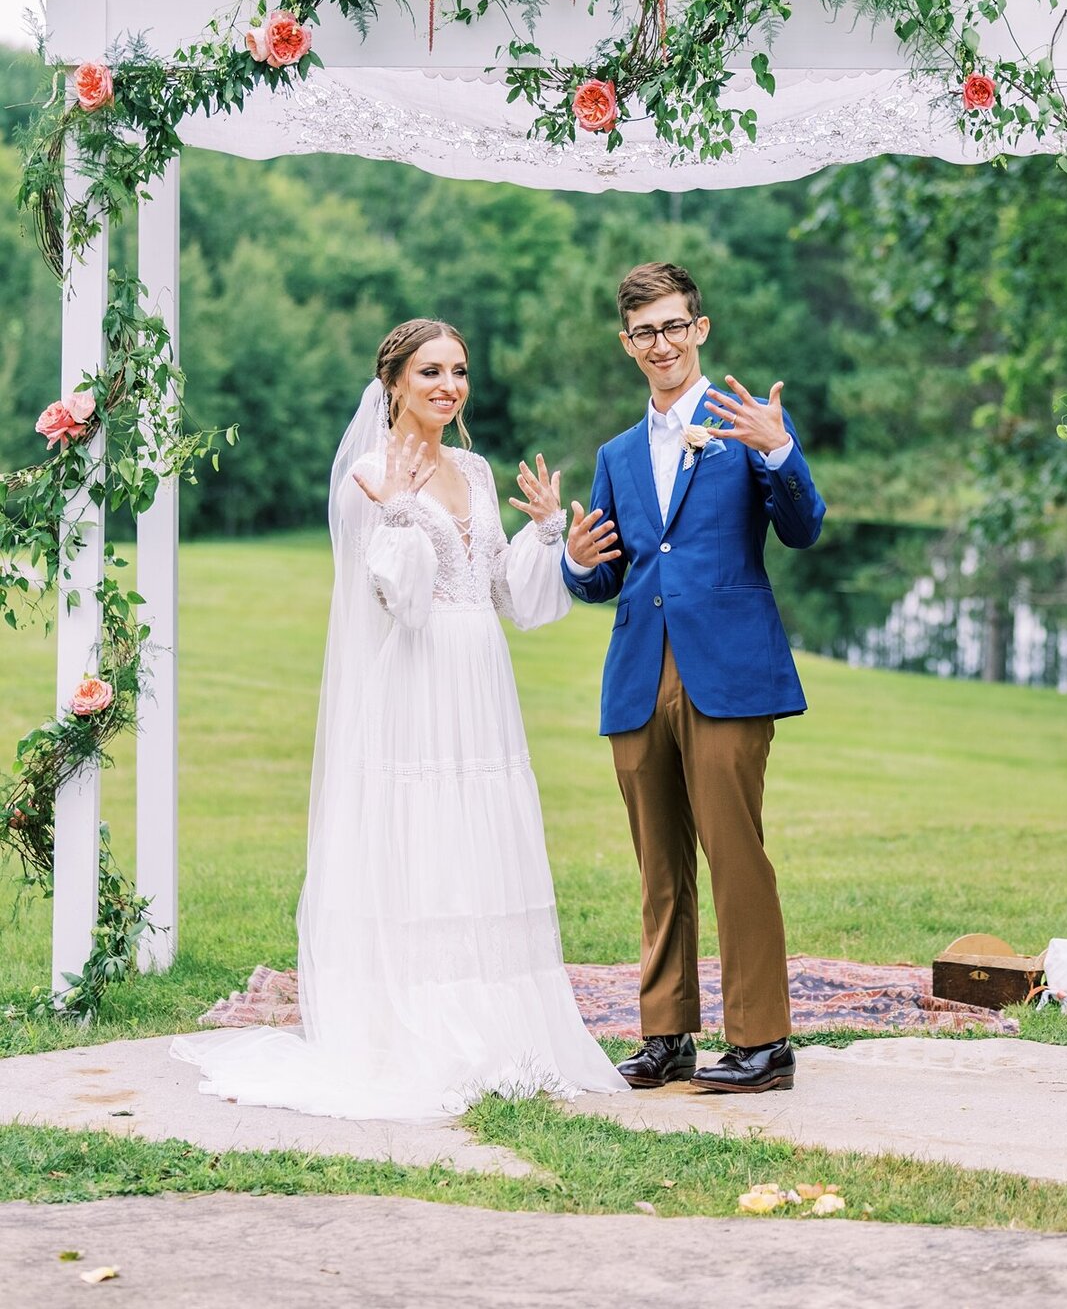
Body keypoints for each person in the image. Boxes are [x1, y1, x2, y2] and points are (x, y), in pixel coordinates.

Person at [173, 318, 626, 1120]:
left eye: (458, 370)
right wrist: (402, 513)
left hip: (481, 678)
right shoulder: (370, 477)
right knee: (423, 836)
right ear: (393, 384)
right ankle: (422, 1029)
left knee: (479, 833)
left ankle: (502, 1024)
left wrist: (553, 539)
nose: (449, 386)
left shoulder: (478, 470)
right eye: (430, 372)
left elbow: (507, 595)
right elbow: (403, 600)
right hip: (416, 684)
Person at [564, 264, 825, 1093]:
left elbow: (803, 525)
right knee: (658, 865)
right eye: (645, 331)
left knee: (734, 851)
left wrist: (779, 448)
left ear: (699, 329)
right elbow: (608, 576)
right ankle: (665, 1033)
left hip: (729, 671)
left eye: (675, 326)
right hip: (639, 673)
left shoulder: (742, 424)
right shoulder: (614, 454)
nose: (662, 343)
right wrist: (573, 564)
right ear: (626, 343)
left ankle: (762, 1041)